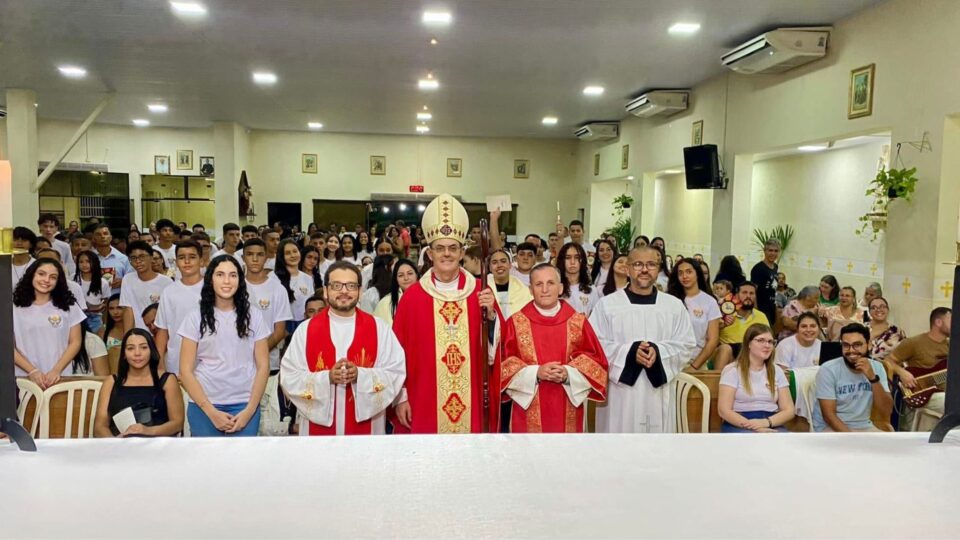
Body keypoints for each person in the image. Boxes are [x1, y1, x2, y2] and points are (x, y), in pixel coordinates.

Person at [391, 193, 500, 434]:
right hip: (423, 400)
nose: (447, 254)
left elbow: (495, 354)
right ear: (429, 255)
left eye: (453, 248)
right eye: (440, 248)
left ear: (462, 253)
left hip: (471, 401)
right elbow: (396, 353)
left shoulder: (480, 294)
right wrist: (401, 397)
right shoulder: (413, 298)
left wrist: (491, 318)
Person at [280, 262, 406, 436]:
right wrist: (327, 378)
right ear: (325, 291)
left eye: (351, 286)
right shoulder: (305, 330)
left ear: (360, 291)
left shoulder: (379, 328)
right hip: (318, 436)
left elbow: (396, 372)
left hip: (367, 432)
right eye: (336, 285)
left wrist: (360, 376)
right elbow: (289, 377)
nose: (344, 291)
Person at [588, 247, 696, 433]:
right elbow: (594, 345)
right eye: (638, 264)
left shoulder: (673, 306)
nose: (644, 269)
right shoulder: (607, 305)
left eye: (651, 264)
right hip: (619, 395)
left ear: (659, 269)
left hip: (659, 392)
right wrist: (630, 353)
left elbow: (686, 345)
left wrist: (658, 351)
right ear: (627, 269)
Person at [500, 264, 608, 433]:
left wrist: (568, 373)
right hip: (527, 410)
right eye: (538, 284)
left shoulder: (578, 322)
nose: (544, 289)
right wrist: (536, 373)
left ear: (560, 288)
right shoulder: (515, 323)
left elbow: (597, 364)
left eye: (550, 283)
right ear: (530, 289)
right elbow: (502, 368)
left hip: (568, 404)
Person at [179, 255, 271, 437]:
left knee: (243, 464)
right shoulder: (195, 316)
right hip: (204, 405)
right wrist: (211, 412)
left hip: (245, 404)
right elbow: (185, 371)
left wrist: (249, 410)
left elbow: (263, 366)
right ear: (210, 279)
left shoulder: (254, 315)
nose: (227, 281)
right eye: (220, 274)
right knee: (208, 464)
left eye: (233, 275)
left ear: (240, 280)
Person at [242, 238, 293, 435]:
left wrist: (258, 355)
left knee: (264, 418)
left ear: (266, 257)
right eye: (250, 254)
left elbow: (279, 331)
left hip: (269, 365)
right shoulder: (235, 285)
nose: (255, 259)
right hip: (238, 365)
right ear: (243, 257)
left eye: (260, 254)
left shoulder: (276, 289)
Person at [94, 329, 184, 437]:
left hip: (158, 446)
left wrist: (148, 431)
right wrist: (115, 443)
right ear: (124, 354)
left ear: (151, 351)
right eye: (130, 348)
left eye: (144, 347)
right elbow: (100, 426)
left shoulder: (167, 380)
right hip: (121, 447)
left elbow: (177, 423)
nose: (137, 353)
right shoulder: (112, 381)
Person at [13, 259, 86, 389]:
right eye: (41, 274)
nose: (46, 280)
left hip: (59, 377)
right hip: (24, 379)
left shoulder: (68, 306)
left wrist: (56, 370)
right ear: (31, 275)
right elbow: (8, 347)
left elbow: (75, 342)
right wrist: (32, 371)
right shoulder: (13, 307)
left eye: (53, 277)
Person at [812, 323, 892, 432]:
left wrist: (873, 378)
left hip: (864, 426)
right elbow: (829, 416)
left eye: (857, 345)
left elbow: (886, 410)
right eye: (846, 345)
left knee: (891, 446)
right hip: (831, 428)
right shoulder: (828, 369)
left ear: (868, 345)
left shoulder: (877, 367)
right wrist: (853, 438)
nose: (851, 350)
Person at [718, 324, 795, 433]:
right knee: (754, 442)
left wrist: (766, 423)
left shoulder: (776, 371)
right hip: (739, 422)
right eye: (761, 340)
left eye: (770, 342)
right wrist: (756, 427)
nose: (767, 345)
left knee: (787, 443)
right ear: (748, 343)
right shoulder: (732, 370)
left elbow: (789, 410)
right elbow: (724, 410)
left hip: (771, 421)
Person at [884, 308, 951, 430]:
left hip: (947, 391)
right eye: (951, 320)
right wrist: (902, 372)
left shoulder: (952, 345)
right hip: (924, 394)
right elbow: (888, 361)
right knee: (951, 402)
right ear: (938, 322)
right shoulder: (914, 342)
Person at [154, 240, 204, 375]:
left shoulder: (212, 288)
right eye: (182, 258)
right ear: (176, 262)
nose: (187, 261)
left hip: (208, 364)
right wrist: (159, 364)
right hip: (176, 361)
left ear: (201, 261)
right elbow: (162, 331)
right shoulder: (169, 291)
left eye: (192, 257)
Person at [667, 259, 720, 370]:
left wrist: (694, 367)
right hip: (670, 361)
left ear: (697, 274)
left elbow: (713, 339)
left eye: (689, 272)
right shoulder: (669, 300)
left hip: (697, 362)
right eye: (680, 273)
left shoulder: (710, 302)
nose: (684, 276)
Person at [715, 282, 770, 370]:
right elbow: (710, 336)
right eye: (744, 292)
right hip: (729, 355)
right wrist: (721, 325)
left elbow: (768, 340)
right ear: (736, 295)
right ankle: (716, 382)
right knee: (725, 349)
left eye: (751, 293)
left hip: (752, 354)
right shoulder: (724, 313)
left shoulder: (761, 317)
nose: (748, 296)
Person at [120, 240, 173, 332]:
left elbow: (169, 312)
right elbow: (128, 309)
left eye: (142, 257)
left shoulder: (166, 282)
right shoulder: (128, 279)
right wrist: (128, 336)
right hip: (139, 333)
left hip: (160, 332)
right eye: (133, 258)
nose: (138, 261)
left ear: (151, 257)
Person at [274, 238, 315, 332]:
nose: (293, 255)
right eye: (288, 253)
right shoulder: (274, 278)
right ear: (281, 256)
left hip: (304, 325)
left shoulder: (308, 278)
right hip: (282, 326)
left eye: (295, 251)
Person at [486, 249, 532, 321]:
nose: (499, 265)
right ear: (490, 268)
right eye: (494, 262)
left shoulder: (522, 288)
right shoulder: (483, 286)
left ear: (510, 265)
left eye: (503, 261)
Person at [74, 250, 111, 334]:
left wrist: (105, 324)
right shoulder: (73, 279)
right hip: (77, 317)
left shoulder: (103, 282)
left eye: (88, 261)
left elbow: (106, 304)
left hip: (96, 318)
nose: (84, 265)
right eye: (81, 262)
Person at [558, 242, 600, 315]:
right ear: (562, 260)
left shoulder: (592, 290)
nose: (572, 262)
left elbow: (596, 318)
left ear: (583, 260)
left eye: (577, 257)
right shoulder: (555, 288)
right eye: (568, 257)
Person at [373, 259, 419, 325]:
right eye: (401, 275)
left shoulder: (427, 297)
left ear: (417, 275)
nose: (406, 278)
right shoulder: (385, 303)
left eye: (410, 273)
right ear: (396, 279)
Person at [865, 297, 906, 362]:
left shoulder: (897, 332)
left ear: (888, 309)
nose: (878, 310)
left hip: (889, 369)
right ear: (869, 312)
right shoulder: (861, 328)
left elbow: (904, 354)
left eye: (882, 307)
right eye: (874, 307)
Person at [750, 239, 780, 326]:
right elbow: (753, 290)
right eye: (770, 250)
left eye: (776, 251)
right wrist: (755, 310)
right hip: (761, 307)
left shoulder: (775, 267)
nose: (773, 253)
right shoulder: (758, 269)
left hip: (772, 306)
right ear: (764, 251)